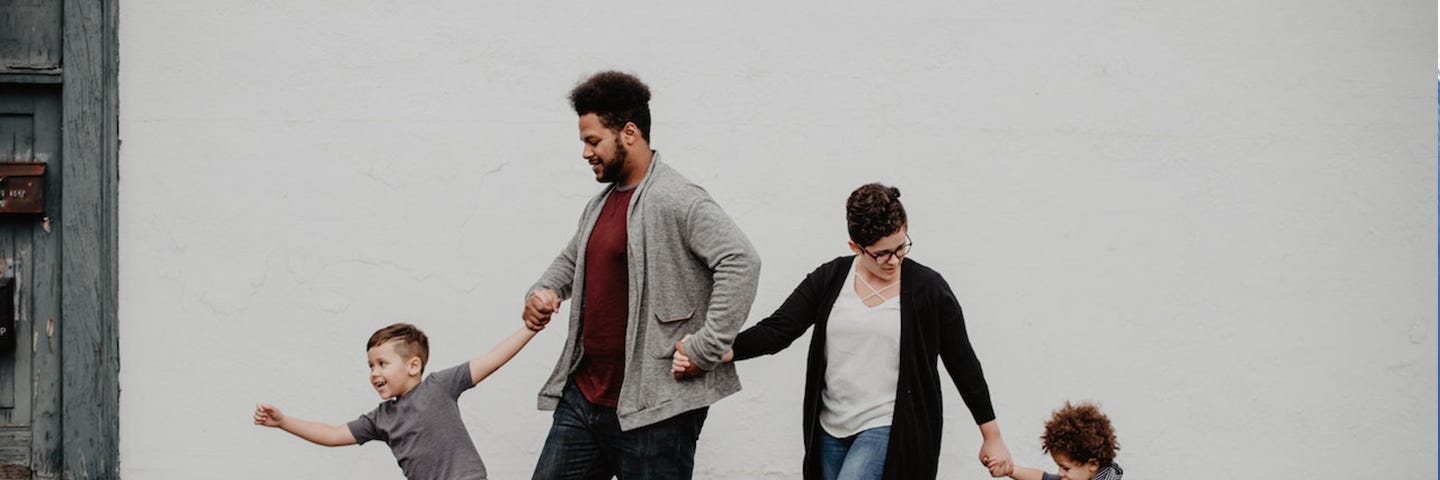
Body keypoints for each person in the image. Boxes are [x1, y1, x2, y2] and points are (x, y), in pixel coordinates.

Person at [673, 183, 1014, 479]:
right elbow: (778, 330)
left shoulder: (929, 289)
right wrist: (714, 350)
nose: (894, 260)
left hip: (887, 426)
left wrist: (992, 435)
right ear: (856, 247)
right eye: (881, 254)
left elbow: (962, 361)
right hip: (829, 429)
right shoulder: (830, 279)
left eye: (900, 247)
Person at [523, 70, 762, 480]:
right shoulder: (600, 204)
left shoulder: (677, 198)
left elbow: (741, 261)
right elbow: (572, 258)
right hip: (585, 398)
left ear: (629, 133)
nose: (585, 152)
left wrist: (706, 348)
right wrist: (543, 291)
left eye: (592, 140)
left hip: (655, 410)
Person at [253, 323, 537, 480]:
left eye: (382, 363)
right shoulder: (381, 418)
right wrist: (283, 422)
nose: (374, 372)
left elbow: (492, 359)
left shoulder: (439, 387)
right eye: (370, 366)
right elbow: (332, 434)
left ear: (413, 366)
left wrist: (530, 328)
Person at [1001, 402, 1123, 480]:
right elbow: (1044, 478)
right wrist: (1010, 470)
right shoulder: (1084, 475)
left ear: (1092, 464)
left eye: (1066, 468)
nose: (1060, 473)